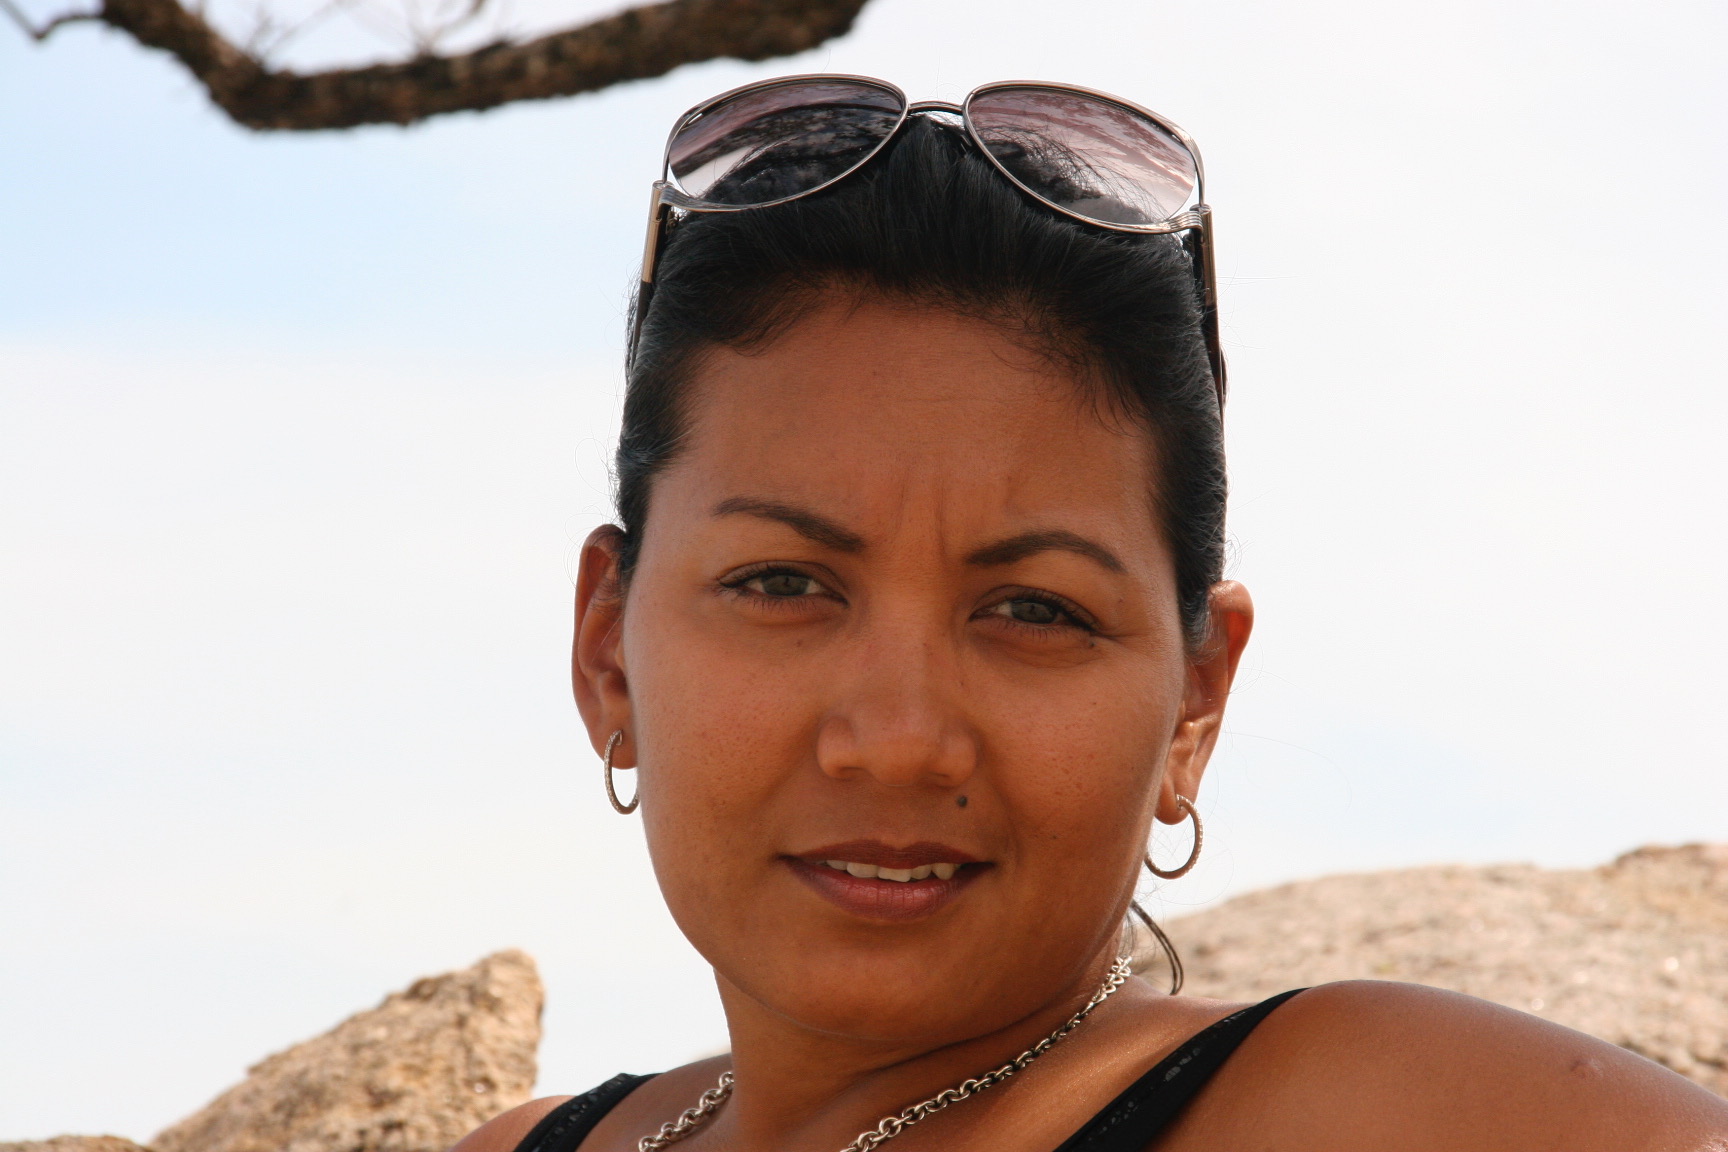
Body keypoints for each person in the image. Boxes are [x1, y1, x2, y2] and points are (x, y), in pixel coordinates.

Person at [456, 76, 1728, 1152]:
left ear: (1194, 703)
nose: (898, 740)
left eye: (1035, 609)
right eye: (783, 585)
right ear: (606, 652)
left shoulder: (1385, 1112)